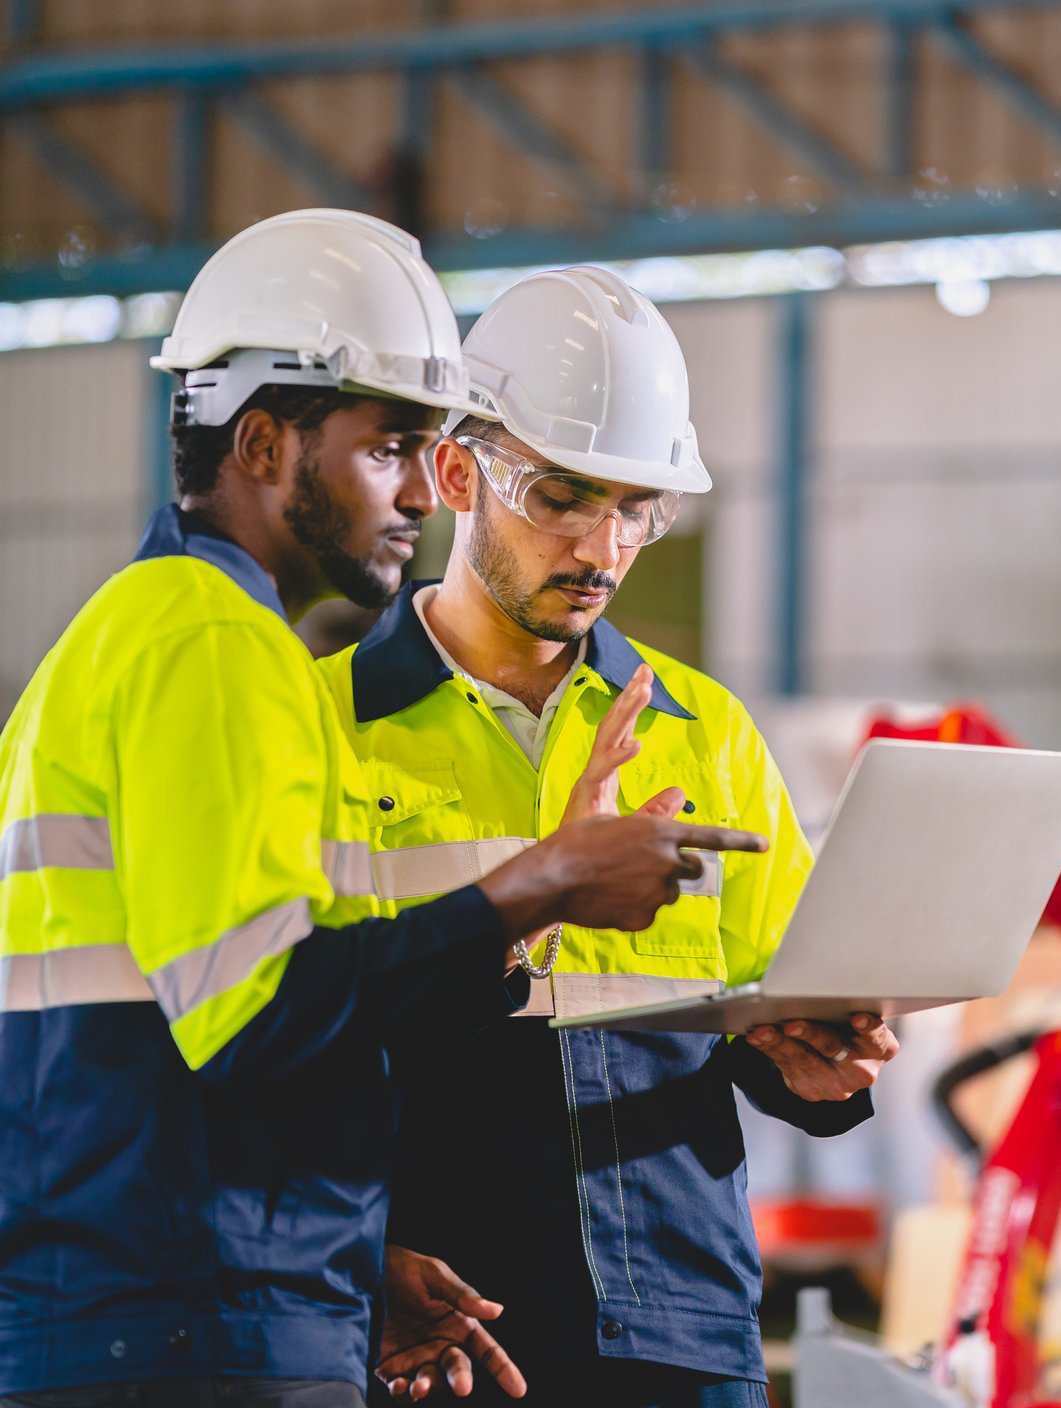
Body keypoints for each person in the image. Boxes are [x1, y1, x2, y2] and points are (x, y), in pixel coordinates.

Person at [0, 215, 765, 1408]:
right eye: (392, 447)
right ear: (263, 443)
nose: (419, 485)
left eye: (636, 509)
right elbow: (259, 1015)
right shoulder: (218, 649)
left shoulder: (162, 642)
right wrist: (541, 886)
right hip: (188, 1323)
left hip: (219, 1305)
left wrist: (351, 1264)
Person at [317, 267, 899, 1408]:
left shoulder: (703, 729)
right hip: (439, 1334)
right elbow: (285, 1042)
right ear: (453, 472)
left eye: (636, 508)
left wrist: (816, 1063)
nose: (602, 547)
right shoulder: (325, 732)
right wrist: (347, 1263)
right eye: (563, 496)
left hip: (680, 1330)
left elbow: (760, 1005)